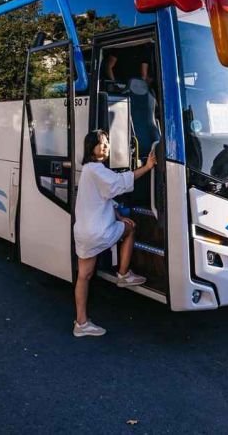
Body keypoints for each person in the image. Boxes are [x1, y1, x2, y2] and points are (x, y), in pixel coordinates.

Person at [73, 129, 156, 337]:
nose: (106, 147)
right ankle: (123, 274)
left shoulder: (87, 170)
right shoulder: (97, 170)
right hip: (97, 232)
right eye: (101, 143)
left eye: (107, 143)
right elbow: (120, 182)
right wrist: (147, 167)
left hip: (83, 233)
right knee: (130, 228)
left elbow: (103, 198)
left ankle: (81, 323)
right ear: (90, 147)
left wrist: (118, 215)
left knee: (84, 276)